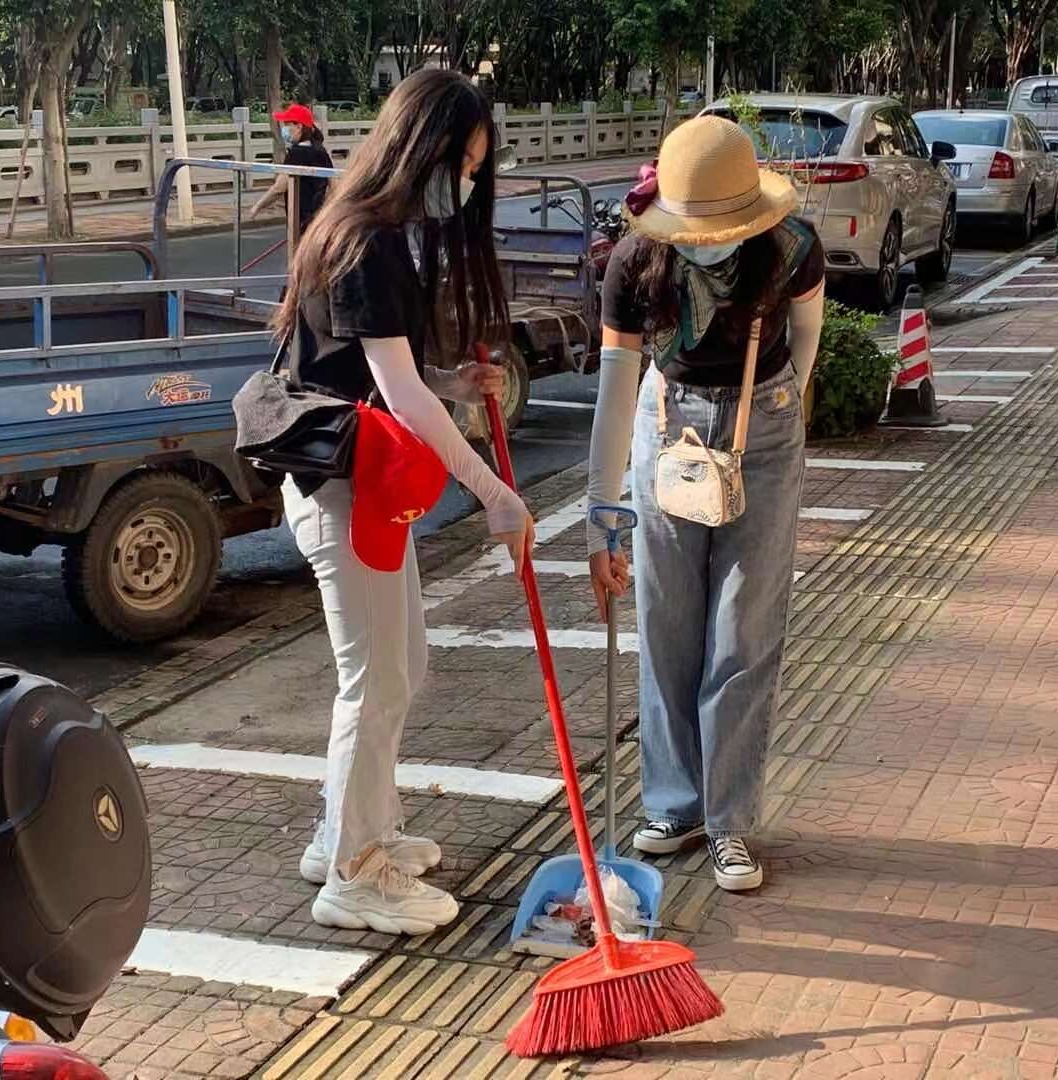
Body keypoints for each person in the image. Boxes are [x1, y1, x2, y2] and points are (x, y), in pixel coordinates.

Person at [272, 69, 536, 935]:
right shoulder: (364, 240)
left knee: (400, 668)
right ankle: (354, 874)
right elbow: (401, 399)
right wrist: (495, 493)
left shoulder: (374, 230)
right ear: (422, 148)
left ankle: (352, 833)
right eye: (463, 163)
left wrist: (450, 380)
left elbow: (385, 371)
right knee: (375, 679)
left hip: (366, 486)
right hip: (342, 490)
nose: (466, 181)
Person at [585, 115, 825, 893]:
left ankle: (729, 822)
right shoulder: (634, 261)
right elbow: (616, 388)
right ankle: (674, 805)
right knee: (668, 623)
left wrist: (780, 409)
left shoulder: (791, 248)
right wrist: (600, 512)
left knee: (743, 632)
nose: (708, 243)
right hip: (668, 425)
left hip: (767, 426)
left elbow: (807, 336)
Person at [250, 103, 333, 234]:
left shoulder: (297, 153)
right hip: (319, 220)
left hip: (301, 220)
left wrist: (257, 207)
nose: (285, 129)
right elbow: (333, 183)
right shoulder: (320, 149)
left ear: (299, 126)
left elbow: (279, 188)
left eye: (287, 125)